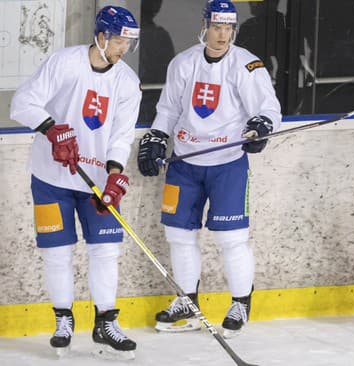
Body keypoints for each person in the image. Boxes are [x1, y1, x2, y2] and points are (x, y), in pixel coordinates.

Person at [137, 0, 281, 338]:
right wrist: (158, 134)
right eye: (216, 27)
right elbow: (169, 108)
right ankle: (187, 304)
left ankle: (240, 303)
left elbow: (269, 109)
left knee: (232, 239)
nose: (222, 35)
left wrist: (261, 126)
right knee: (179, 236)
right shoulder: (183, 63)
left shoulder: (248, 65)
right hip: (184, 163)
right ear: (205, 26)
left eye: (228, 28)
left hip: (227, 165)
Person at [9, 5, 141, 359]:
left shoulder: (128, 82)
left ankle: (105, 322)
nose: (123, 50)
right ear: (101, 36)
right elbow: (21, 103)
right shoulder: (64, 63)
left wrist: (115, 177)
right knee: (57, 253)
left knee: (106, 251)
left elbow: (121, 135)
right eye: (119, 41)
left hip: (96, 178)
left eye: (129, 43)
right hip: (50, 177)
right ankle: (63, 319)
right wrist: (52, 129)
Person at [137, 0, 175, 124]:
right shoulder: (128, 35)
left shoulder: (159, 36)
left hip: (153, 107)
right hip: (138, 107)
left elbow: (167, 75)